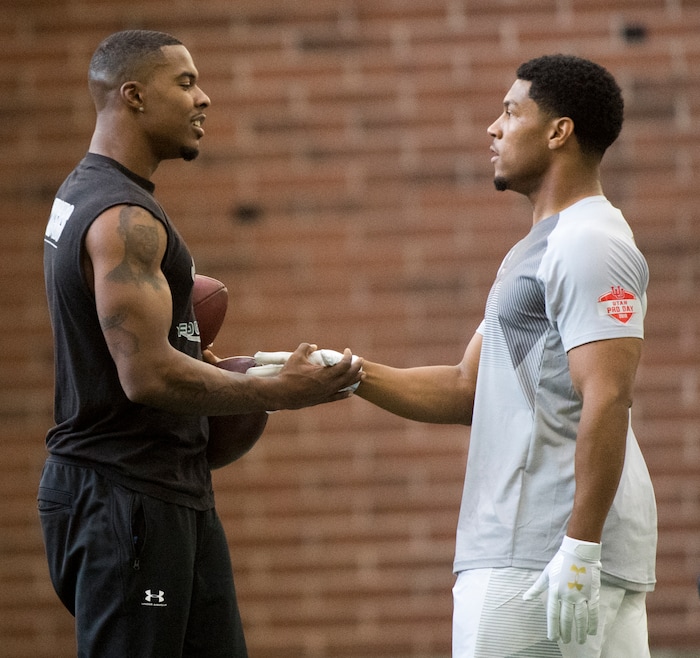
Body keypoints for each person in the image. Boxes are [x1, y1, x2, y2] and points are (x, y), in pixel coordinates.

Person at [40, 30, 362, 658]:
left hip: (161, 492)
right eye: (184, 83)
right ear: (132, 96)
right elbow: (148, 378)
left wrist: (197, 361)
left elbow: (132, 355)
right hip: (125, 501)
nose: (204, 98)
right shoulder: (121, 219)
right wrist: (279, 391)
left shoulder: (92, 195)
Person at [337, 54, 657, 656]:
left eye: (511, 112)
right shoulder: (536, 248)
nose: (494, 127)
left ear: (559, 131)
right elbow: (466, 388)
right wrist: (347, 372)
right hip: (546, 551)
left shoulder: (588, 241)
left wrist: (579, 550)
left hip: (543, 553)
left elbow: (609, 395)